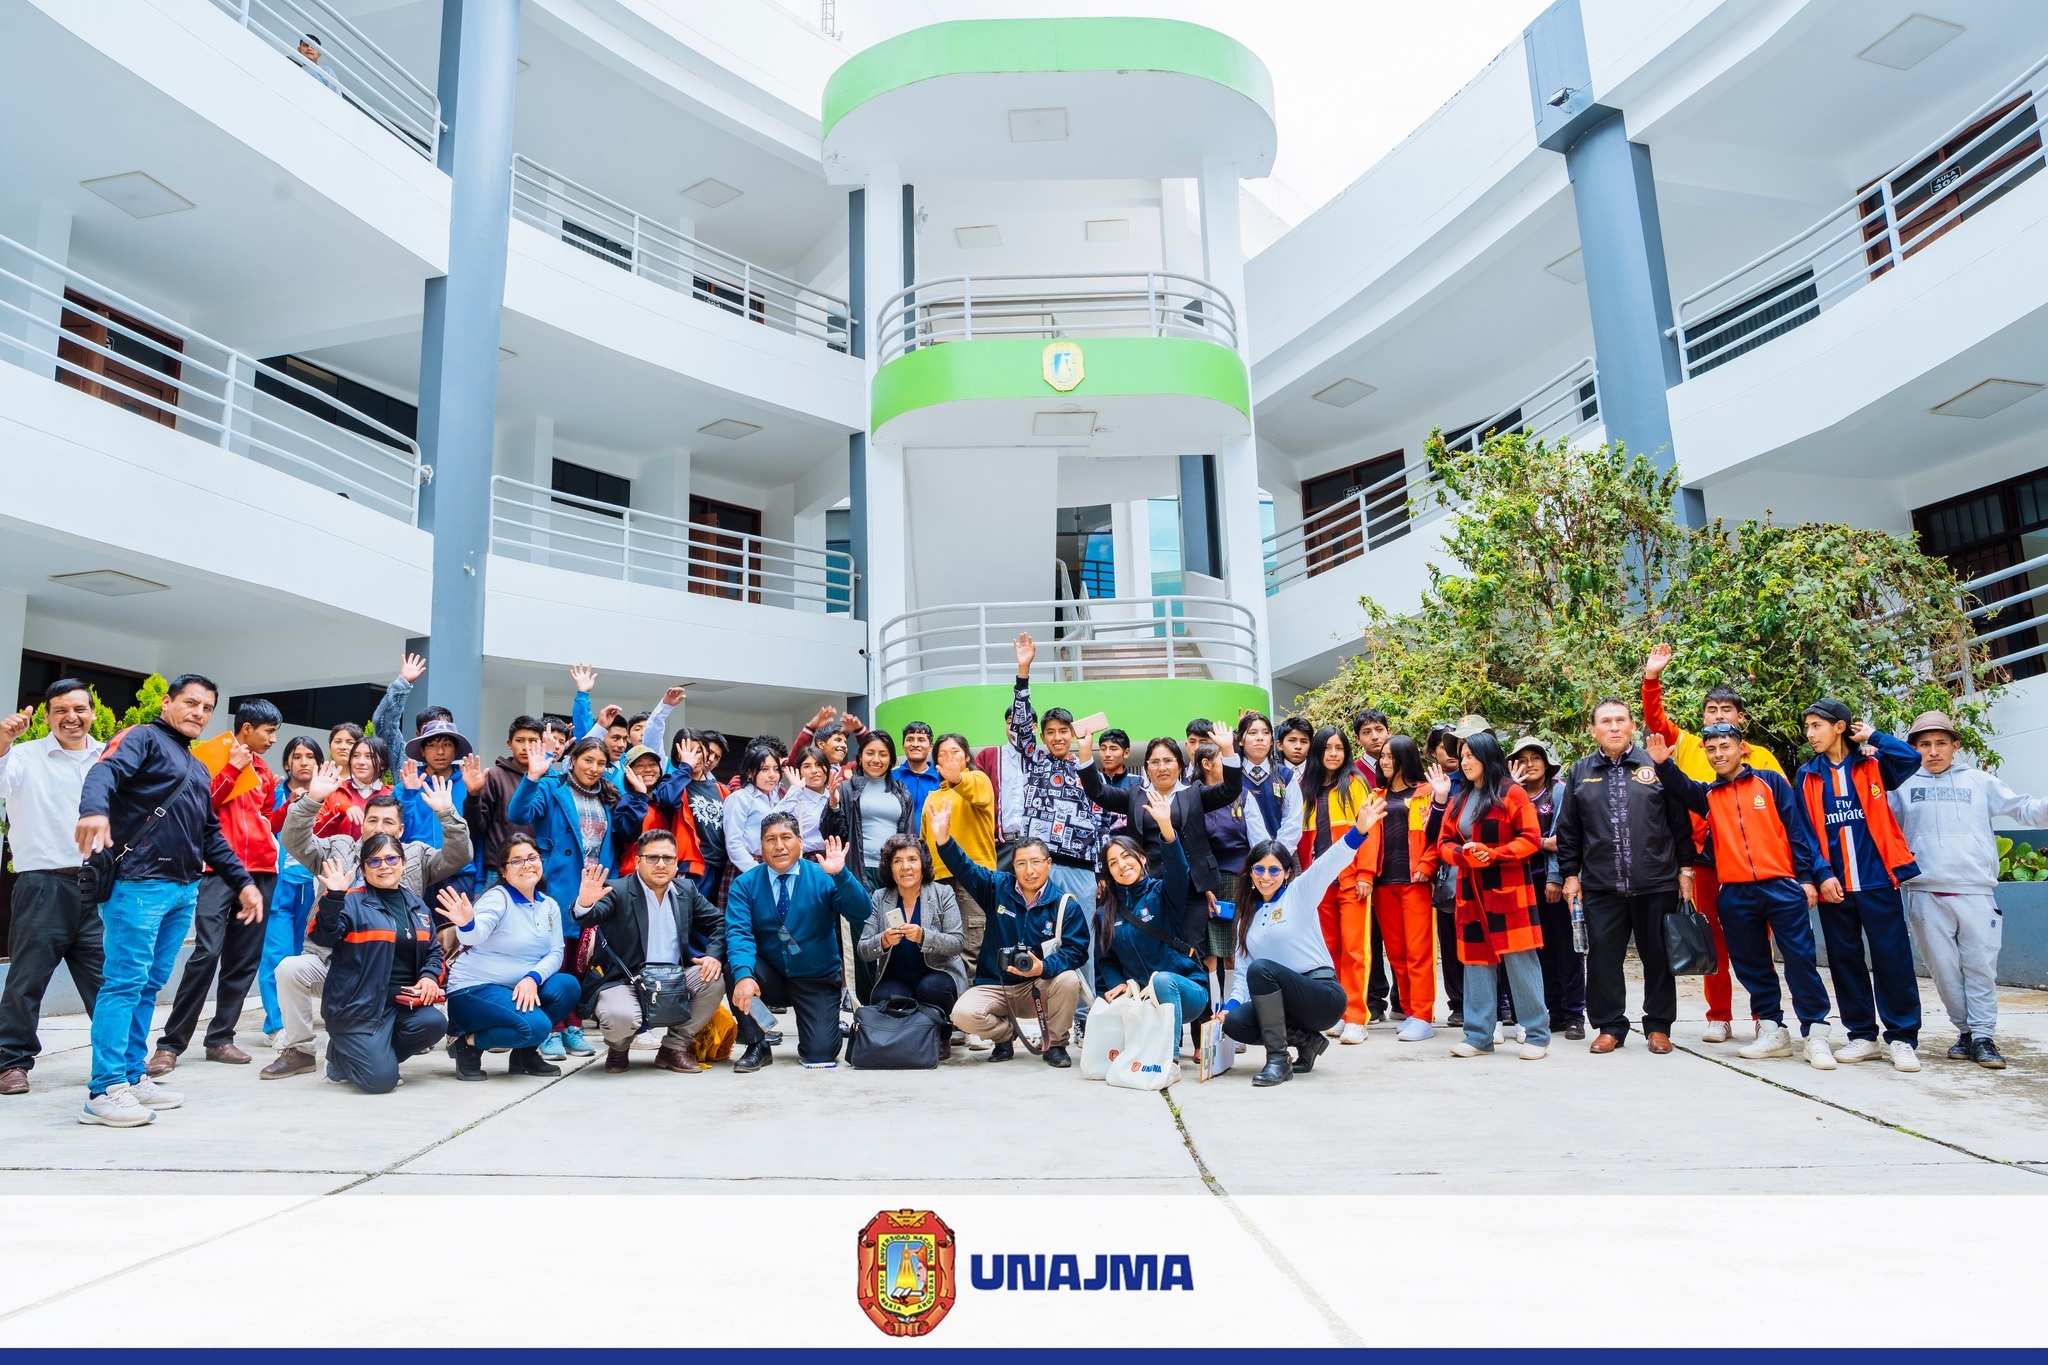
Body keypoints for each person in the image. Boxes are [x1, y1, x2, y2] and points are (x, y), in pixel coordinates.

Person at [74, 674, 260, 1126]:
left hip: (182, 888)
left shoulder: (196, 765)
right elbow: (105, 771)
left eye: (207, 708)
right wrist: (93, 810)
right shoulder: (142, 738)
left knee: (149, 985)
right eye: (190, 703)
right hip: (139, 884)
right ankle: (105, 1089)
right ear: (167, 702)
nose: (198, 712)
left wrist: (243, 881)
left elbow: (209, 834)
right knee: (123, 983)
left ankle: (132, 1076)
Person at [1647, 726, 1838, 1069]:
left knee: (1799, 960)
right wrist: (1663, 764)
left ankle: (1815, 1032)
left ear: (1741, 748)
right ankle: (1771, 1029)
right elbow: (1681, 787)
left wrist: (1807, 879)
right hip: (1735, 891)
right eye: (1711, 749)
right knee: (1752, 964)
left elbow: (1798, 833)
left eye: (1724, 746)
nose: (1718, 754)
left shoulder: (1771, 782)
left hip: (1781, 886)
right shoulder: (1709, 795)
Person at [267, 767, 471, 1080]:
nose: (379, 828)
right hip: (333, 964)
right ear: (362, 823)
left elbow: (459, 855)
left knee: (430, 1023)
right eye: (372, 820)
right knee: (288, 969)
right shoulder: (338, 848)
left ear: (401, 830)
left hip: (388, 971)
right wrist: (313, 799)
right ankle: (300, 1051)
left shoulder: (414, 856)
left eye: (388, 822)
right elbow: (294, 839)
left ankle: (361, 1053)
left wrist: (446, 812)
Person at [1642, 642, 1786, 1043]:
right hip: (1705, 860)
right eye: (1711, 711)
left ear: (1741, 719)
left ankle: (1764, 1017)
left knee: (1760, 940)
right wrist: (1652, 677)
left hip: (1757, 864)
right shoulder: (1688, 746)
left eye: (1726, 712)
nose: (1718, 718)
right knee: (1711, 938)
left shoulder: (1762, 758)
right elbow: (1654, 720)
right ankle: (1718, 1015)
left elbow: (1782, 815)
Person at [1892, 710, 2044, 1071]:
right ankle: (1965, 1032)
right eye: (1924, 745)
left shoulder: (1980, 781)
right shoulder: (1903, 787)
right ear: (1914, 749)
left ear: (1955, 746)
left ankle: (1983, 1036)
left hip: (1976, 891)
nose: (1933, 751)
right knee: (1944, 971)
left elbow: (2023, 809)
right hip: (1925, 892)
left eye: (1940, 743)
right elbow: (1876, 820)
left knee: (1979, 968)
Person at [1553, 697, 1693, 1055]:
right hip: (1601, 885)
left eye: (1620, 720)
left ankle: (1659, 1026)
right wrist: (1570, 875)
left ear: (1632, 726)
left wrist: (1686, 868)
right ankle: (1610, 1025)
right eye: (1606, 722)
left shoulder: (1655, 764)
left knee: (1658, 956)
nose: (1614, 727)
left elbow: (1679, 823)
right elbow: (1569, 830)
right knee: (1602, 958)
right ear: (1593, 730)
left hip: (1657, 881)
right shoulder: (1581, 771)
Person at [151, 698, 283, 1074]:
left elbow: (267, 819)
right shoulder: (207, 757)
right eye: (268, 731)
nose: (273, 739)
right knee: (206, 953)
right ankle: (170, 1044)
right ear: (246, 729)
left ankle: (221, 1038)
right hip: (215, 870)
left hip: (261, 870)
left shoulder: (264, 771)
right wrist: (229, 769)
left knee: (243, 960)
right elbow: (198, 807)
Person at [1223, 789, 1385, 1086]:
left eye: (1274, 869)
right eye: (1259, 868)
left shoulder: (1300, 894)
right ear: (1250, 872)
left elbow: (1328, 863)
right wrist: (1229, 1008)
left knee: (1264, 969)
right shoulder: (1247, 917)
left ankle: (1277, 1060)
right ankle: (1307, 1042)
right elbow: (1244, 971)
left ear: (1286, 873)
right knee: (1236, 1023)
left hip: (1321, 996)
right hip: (1284, 1004)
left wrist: (1359, 831)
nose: (1266, 876)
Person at [1796, 698, 1925, 1071]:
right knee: (1845, 961)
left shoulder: (1872, 764)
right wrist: (1822, 874)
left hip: (1877, 881)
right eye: (1807, 727)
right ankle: (1862, 1036)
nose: (1810, 734)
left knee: (1893, 959)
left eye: (1816, 726)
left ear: (1840, 726)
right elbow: (1803, 834)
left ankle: (1902, 1038)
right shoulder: (1807, 775)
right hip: (1835, 887)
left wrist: (1875, 736)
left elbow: (1910, 759)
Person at [0, 681, 107, 1096]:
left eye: (79, 708)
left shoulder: (108, 758)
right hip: (43, 884)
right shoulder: (24, 756)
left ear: (92, 712)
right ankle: (11, 1062)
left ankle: (115, 1060)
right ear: (46, 717)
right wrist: (4, 741)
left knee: (106, 981)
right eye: (60, 710)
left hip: (99, 885)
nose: (71, 717)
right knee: (26, 980)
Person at [932, 800, 1091, 1067]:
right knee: (962, 1014)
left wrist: (1043, 966)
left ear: (1049, 864)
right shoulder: (996, 888)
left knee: (1068, 980)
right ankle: (1005, 1036)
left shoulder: (1065, 904)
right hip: (997, 985)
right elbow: (965, 869)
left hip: (1039, 987)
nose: (1029, 871)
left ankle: (1055, 1043)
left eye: (1036, 862)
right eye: (1021, 864)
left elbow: (1077, 951)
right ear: (1013, 867)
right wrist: (944, 839)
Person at [573, 829, 728, 1074]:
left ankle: (673, 1049)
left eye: (668, 858)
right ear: (637, 861)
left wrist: (713, 955)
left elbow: (719, 923)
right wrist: (584, 903)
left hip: (673, 978)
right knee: (620, 1016)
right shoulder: (617, 890)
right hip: (624, 981)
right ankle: (618, 1048)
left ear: (677, 863)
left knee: (713, 979)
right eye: (652, 857)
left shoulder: (685, 890)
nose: (661, 864)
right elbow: (588, 916)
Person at [725, 815, 869, 1070]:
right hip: (770, 977)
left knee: (820, 1053)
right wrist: (744, 976)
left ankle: (825, 1022)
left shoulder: (823, 875)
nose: (778, 845)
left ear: (800, 842)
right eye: (770, 839)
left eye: (786, 837)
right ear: (761, 846)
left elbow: (861, 912)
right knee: (736, 969)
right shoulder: (745, 884)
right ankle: (757, 1044)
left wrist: (841, 875)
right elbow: (739, 933)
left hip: (816, 979)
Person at [1440, 732, 1551, 1061]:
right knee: (1475, 963)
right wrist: (1465, 855)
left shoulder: (1512, 793)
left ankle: (1537, 1035)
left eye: (1470, 755)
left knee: (1520, 963)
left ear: (1487, 757)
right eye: (1462, 756)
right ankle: (1478, 1036)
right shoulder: (1459, 797)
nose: (1465, 762)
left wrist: (1494, 853)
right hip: (1470, 893)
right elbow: (1444, 842)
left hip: (1508, 891)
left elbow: (1531, 839)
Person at [508, 734, 618, 1061]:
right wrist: (533, 776)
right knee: (554, 959)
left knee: (579, 963)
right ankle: (552, 1028)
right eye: (588, 760)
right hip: (557, 887)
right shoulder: (552, 787)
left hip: (591, 888)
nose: (594, 768)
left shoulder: (606, 795)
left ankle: (573, 1025)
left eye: (601, 763)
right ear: (572, 759)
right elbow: (519, 814)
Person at [438, 834, 582, 1081]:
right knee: (536, 1026)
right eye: (516, 861)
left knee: (567, 986)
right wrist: (466, 924)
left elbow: (556, 952)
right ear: (503, 872)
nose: (527, 865)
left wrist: (532, 978)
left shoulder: (548, 905)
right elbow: (475, 935)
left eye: (532, 858)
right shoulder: (498, 898)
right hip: (473, 992)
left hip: (515, 988)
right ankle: (468, 1043)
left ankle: (524, 1056)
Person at [306, 836, 446, 1093]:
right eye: (375, 861)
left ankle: (360, 1055)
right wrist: (334, 896)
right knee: (381, 1082)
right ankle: (349, 1056)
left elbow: (434, 952)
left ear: (403, 864)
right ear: (363, 869)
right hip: (357, 1009)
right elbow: (322, 935)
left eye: (392, 858)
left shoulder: (418, 907)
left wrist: (428, 977)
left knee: (434, 1023)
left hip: (401, 1007)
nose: (385, 866)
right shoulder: (350, 902)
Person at [1079, 731, 1241, 949]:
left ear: (1180, 766)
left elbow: (1230, 790)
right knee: (1155, 948)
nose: (1162, 767)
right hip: (1149, 888)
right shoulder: (1135, 796)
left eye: (1167, 761)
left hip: (1191, 889)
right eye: (1155, 762)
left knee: (1193, 950)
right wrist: (1084, 751)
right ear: (1147, 768)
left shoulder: (1194, 793)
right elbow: (1097, 791)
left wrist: (1228, 750)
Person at [1008, 634, 1108, 928]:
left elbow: (1101, 821)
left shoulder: (1088, 769)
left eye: (1063, 731)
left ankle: (1083, 978)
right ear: (1042, 736)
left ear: (1073, 733)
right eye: (1050, 732)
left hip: (1081, 867)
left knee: (1082, 935)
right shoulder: (1035, 760)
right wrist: (1023, 673)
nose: (1057, 737)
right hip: (1040, 865)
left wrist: (1100, 871)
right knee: (1041, 933)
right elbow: (1021, 725)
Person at [1100, 790, 1209, 1060]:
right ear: (1109, 873)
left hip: (1186, 990)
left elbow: (1179, 872)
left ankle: (1167, 1059)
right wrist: (1118, 983)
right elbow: (1107, 961)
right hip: (1143, 1000)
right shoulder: (1106, 913)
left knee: (1160, 979)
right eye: (1113, 863)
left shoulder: (1163, 893)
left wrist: (1166, 827)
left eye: (1126, 857)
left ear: (1142, 859)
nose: (1122, 865)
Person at [1284, 725, 1374, 1042]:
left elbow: (1370, 832)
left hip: (1350, 879)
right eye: (1327, 748)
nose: (1333, 754)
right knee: (1327, 950)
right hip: (1317, 883)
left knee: (1354, 949)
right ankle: (1335, 1013)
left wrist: (1365, 874)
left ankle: (1356, 1017)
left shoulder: (1355, 784)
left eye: (1339, 748)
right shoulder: (1304, 787)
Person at [857, 833, 969, 1054]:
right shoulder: (879, 898)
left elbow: (957, 942)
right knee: (884, 998)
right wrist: (883, 941)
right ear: (889, 868)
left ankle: (940, 1035)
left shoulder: (942, 893)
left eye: (912, 860)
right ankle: (909, 1038)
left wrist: (924, 936)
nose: (905, 867)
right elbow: (863, 949)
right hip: (896, 977)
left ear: (923, 864)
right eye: (897, 861)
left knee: (932, 987)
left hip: (938, 974)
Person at [825, 729, 913, 1003]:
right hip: (857, 873)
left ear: (891, 759)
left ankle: (893, 999)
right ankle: (862, 1005)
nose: (876, 759)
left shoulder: (901, 791)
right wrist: (834, 804)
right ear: (860, 757)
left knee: (896, 936)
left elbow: (909, 836)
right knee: (860, 939)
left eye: (883, 754)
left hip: (893, 875)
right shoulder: (846, 789)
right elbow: (831, 833)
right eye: (870, 753)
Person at [1509, 735, 1583, 1041]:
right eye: (1523, 759)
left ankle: (1575, 1014)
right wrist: (1539, 843)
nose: (1530, 765)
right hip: (1522, 881)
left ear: (1546, 762)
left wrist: (1556, 877)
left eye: (1535, 758)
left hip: (1554, 879)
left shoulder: (1559, 791)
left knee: (1567, 949)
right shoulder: (1512, 794)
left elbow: (1564, 838)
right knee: (1540, 950)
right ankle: (1552, 1012)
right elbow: (1508, 836)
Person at [1366, 735, 1440, 1042]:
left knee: (1419, 952)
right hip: (1384, 882)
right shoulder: (1376, 794)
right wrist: (1367, 876)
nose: (1384, 762)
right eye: (1382, 756)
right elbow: (1367, 840)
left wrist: (1426, 865)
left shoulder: (1427, 792)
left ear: (1405, 759)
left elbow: (1439, 835)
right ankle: (1410, 1011)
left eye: (1390, 756)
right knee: (1395, 952)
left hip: (1416, 882)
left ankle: (1423, 1015)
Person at [257, 735, 322, 1048]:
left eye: (310, 756)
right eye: (297, 756)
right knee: (277, 958)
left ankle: (298, 1025)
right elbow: (262, 826)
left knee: (299, 960)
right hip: (279, 886)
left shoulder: (328, 796)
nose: (304, 762)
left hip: (313, 890)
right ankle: (276, 1026)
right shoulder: (273, 793)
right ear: (287, 763)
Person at [921, 732, 995, 973]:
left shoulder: (979, 779)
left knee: (971, 946)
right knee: (940, 946)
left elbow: (972, 788)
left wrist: (958, 779)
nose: (949, 758)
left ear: (967, 756)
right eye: (942, 754)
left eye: (955, 752)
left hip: (973, 877)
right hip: (937, 881)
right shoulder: (932, 797)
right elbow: (925, 841)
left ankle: (972, 1007)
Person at [644, 731, 728, 896]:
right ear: (678, 756)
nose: (693, 757)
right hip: (690, 867)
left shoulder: (721, 789)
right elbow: (668, 800)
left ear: (706, 753)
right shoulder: (671, 782)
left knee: (715, 920)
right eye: (686, 752)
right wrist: (685, 767)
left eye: (697, 751)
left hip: (720, 867)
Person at [465, 714, 543, 884]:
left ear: (542, 745)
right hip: (501, 869)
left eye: (532, 741)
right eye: (520, 740)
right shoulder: (495, 775)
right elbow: (477, 827)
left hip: (538, 868)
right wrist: (473, 795)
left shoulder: (548, 779)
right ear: (509, 744)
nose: (526, 747)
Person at [1194, 741, 1250, 971]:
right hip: (1203, 881)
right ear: (1206, 764)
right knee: (1208, 952)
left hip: (1237, 878)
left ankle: (1234, 1003)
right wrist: (1202, 885)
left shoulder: (1241, 795)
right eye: (1223, 758)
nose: (1230, 763)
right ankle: (1211, 1005)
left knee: (1234, 950)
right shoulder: (1193, 797)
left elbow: (1254, 837)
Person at [1236, 711, 1301, 859]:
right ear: (1240, 740)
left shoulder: (1285, 776)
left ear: (1272, 740)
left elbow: (1293, 820)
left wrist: (1275, 855)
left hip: (1282, 858)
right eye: (1252, 732)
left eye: (1265, 733)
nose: (1260, 737)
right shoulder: (1232, 776)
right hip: (1241, 860)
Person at [724, 743, 795, 876]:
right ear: (750, 772)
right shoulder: (740, 798)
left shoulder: (778, 798)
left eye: (775, 769)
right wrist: (756, 872)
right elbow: (734, 844)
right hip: (746, 867)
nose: (772, 775)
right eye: (764, 769)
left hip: (775, 864)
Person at [312, 734, 391, 837]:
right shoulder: (334, 790)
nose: (360, 762)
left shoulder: (391, 794)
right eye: (355, 756)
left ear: (382, 764)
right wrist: (340, 809)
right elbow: (315, 835)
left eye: (369, 757)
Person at [893, 721, 942, 831]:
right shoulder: (891, 777)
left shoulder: (942, 778)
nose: (915, 744)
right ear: (903, 746)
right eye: (910, 739)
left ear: (930, 746)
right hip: (899, 844)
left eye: (921, 740)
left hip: (932, 843)